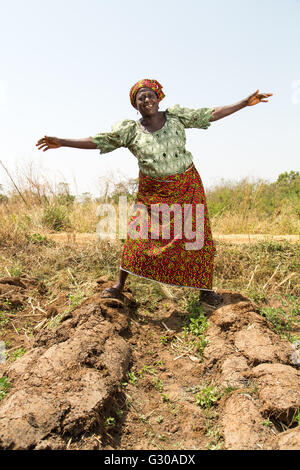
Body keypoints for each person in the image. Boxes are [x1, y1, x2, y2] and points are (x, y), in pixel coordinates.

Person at [36, 79, 272, 306]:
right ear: (135, 105)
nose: (146, 100)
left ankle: (205, 291)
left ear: (159, 99)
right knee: (138, 238)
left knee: (196, 237)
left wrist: (244, 102)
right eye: (141, 98)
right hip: (152, 193)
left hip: (187, 186)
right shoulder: (131, 131)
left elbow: (211, 113)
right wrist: (63, 141)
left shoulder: (177, 117)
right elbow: (99, 140)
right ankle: (119, 286)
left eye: (150, 95)